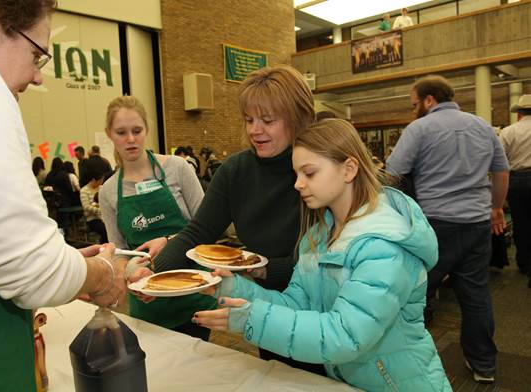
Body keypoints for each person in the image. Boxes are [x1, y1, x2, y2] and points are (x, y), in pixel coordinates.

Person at [0, 1, 127, 390]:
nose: (37, 77)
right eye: (36, 55)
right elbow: (31, 274)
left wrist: (60, 263)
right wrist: (103, 274)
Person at [193, 119, 451, 391]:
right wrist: (234, 287)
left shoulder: (384, 246)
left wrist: (252, 319)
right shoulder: (318, 236)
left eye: (309, 173)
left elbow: (344, 335)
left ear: (349, 169)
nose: (297, 184)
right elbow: (297, 302)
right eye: (296, 174)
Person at [149, 64, 324, 374]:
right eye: (249, 119)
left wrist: (262, 268)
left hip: (323, 317)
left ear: (299, 118)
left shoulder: (321, 168)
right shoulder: (236, 172)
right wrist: (153, 278)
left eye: (268, 120)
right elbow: (198, 233)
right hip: (266, 313)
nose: (255, 130)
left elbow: (325, 262)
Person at [386, 75, 509, 383]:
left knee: (415, 291)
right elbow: (501, 171)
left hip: (435, 225)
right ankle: (484, 365)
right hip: (477, 224)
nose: (414, 109)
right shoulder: (482, 126)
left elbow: (392, 173)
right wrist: (495, 207)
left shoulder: (420, 128)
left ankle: (406, 360)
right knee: (476, 295)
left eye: (415, 103)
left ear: (429, 100)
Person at [99, 95, 215, 339]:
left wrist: (170, 240)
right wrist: (132, 274)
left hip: (192, 290)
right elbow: (118, 250)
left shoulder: (177, 168)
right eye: (121, 132)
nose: (130, 139)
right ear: (109, 133)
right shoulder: (108, 191)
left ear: (147, 130)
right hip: (147, 299)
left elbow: (209, 227)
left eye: (137, 130)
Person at [499, 94, 531, 287]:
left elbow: (499, 161)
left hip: (517, 181)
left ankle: (524, 262)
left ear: (519, 113)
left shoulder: (508, 132)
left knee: (521, 222)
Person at [80, 158, 109, 244]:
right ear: (93, 180)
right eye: (100, 181)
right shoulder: (84, 190)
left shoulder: (101, 188)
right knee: (105, 230)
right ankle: (103, 247)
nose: (101, 183)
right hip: (92, 219)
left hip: (104, 217)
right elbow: (86, 207)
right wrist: (100, 210)